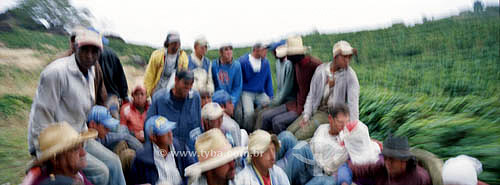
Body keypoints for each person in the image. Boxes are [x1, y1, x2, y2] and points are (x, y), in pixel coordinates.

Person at [27, 29, 126, 185]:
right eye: (84, 50)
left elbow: (83, 111)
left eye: (95, 51)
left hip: (78, 136)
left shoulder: (91, 71)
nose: (89, 55)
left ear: (100, 53)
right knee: (101, 172)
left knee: (114, 162)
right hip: (58, 143)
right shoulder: (56, 73)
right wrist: (43, 155)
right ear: (75, 48)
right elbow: (41, 117)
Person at [288, 40, 360, 140]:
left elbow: (353, 104)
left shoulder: (350, 76)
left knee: (299, 135)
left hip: (328, 114)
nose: (347, 60)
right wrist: (306, 116)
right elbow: (311, 95)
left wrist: (352, 129)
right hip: (315, 109)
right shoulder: (321, 70)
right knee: (289, 131)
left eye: (349, 57)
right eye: (344, 56)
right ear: (335, 56)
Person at [274, 36, 323, 140]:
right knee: (274, 120)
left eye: (288, 54)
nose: (286, 57)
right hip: (297, 105)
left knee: (281, 124)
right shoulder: (296, 65)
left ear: (295, 55)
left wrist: (308, 113)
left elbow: (320, 92)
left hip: (309, 108)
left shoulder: (315, 65)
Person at [340, 134, 431, 185]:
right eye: (386, 158)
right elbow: (350, 167)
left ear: (404, 161)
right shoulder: (381, 167)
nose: (387, 163)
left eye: (392, 160)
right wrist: (344, 181)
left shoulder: (420, 178)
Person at [130, 116, 196, 185]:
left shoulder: (181, 148)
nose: (170, 134)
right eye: (165, 132)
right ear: (153, 137)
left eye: (170, 130)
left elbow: (192, 170)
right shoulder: (141, 158)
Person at [146, 70, 201, 145]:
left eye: (191, 84)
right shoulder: (159, 99)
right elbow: (149, 128)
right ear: (176, 80)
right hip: (166, 149)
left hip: (188, 151)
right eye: (185, 83)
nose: (188, 87)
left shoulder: (195, 98)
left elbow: (198, 127)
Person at [31, 123, 96, 185]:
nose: (83, 153)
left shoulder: (73, 171)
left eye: (82, 146)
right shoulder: (51, 182)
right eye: (76, 149)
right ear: (55, 159)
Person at [87, 105, 143, 173]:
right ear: (93, 124)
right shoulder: (88, 142)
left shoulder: (99, 135)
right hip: (103, 174)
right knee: (129, 155)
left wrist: (145, 154)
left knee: (122, 143)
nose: (108, 129)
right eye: (105, 127)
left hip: (107, 166)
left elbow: (125, 137)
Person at [259, 40, 297, 134]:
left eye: (274, 50)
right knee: (263, 115)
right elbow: (279, 89)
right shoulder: (278, 63)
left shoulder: (289, 64)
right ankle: (262, 138)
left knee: (270, 118)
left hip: (290, 102)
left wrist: (271, 104)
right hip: (282, 101)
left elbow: (285, 91)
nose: (272, 53)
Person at [238, 43, 274, 132]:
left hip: (260, 93)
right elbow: (239, 80)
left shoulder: (265, 62)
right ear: (256, 50)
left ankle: (261, 130)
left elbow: (268, 80)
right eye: (264, 49)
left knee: (271, 106)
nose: (266, 52)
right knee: (249, 113)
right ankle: (248, 132)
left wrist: (271, 96)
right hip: (247, 92)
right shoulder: (243, 61)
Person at [144, 32, 189, 97]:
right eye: (174, 42)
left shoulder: (183, 57)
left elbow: (183, 75)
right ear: (168, 43)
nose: (176, 44)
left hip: (172, 90)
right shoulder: (157, 55)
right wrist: (148, 92)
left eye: (178, 42)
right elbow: (149, 75)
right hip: (157, 89)